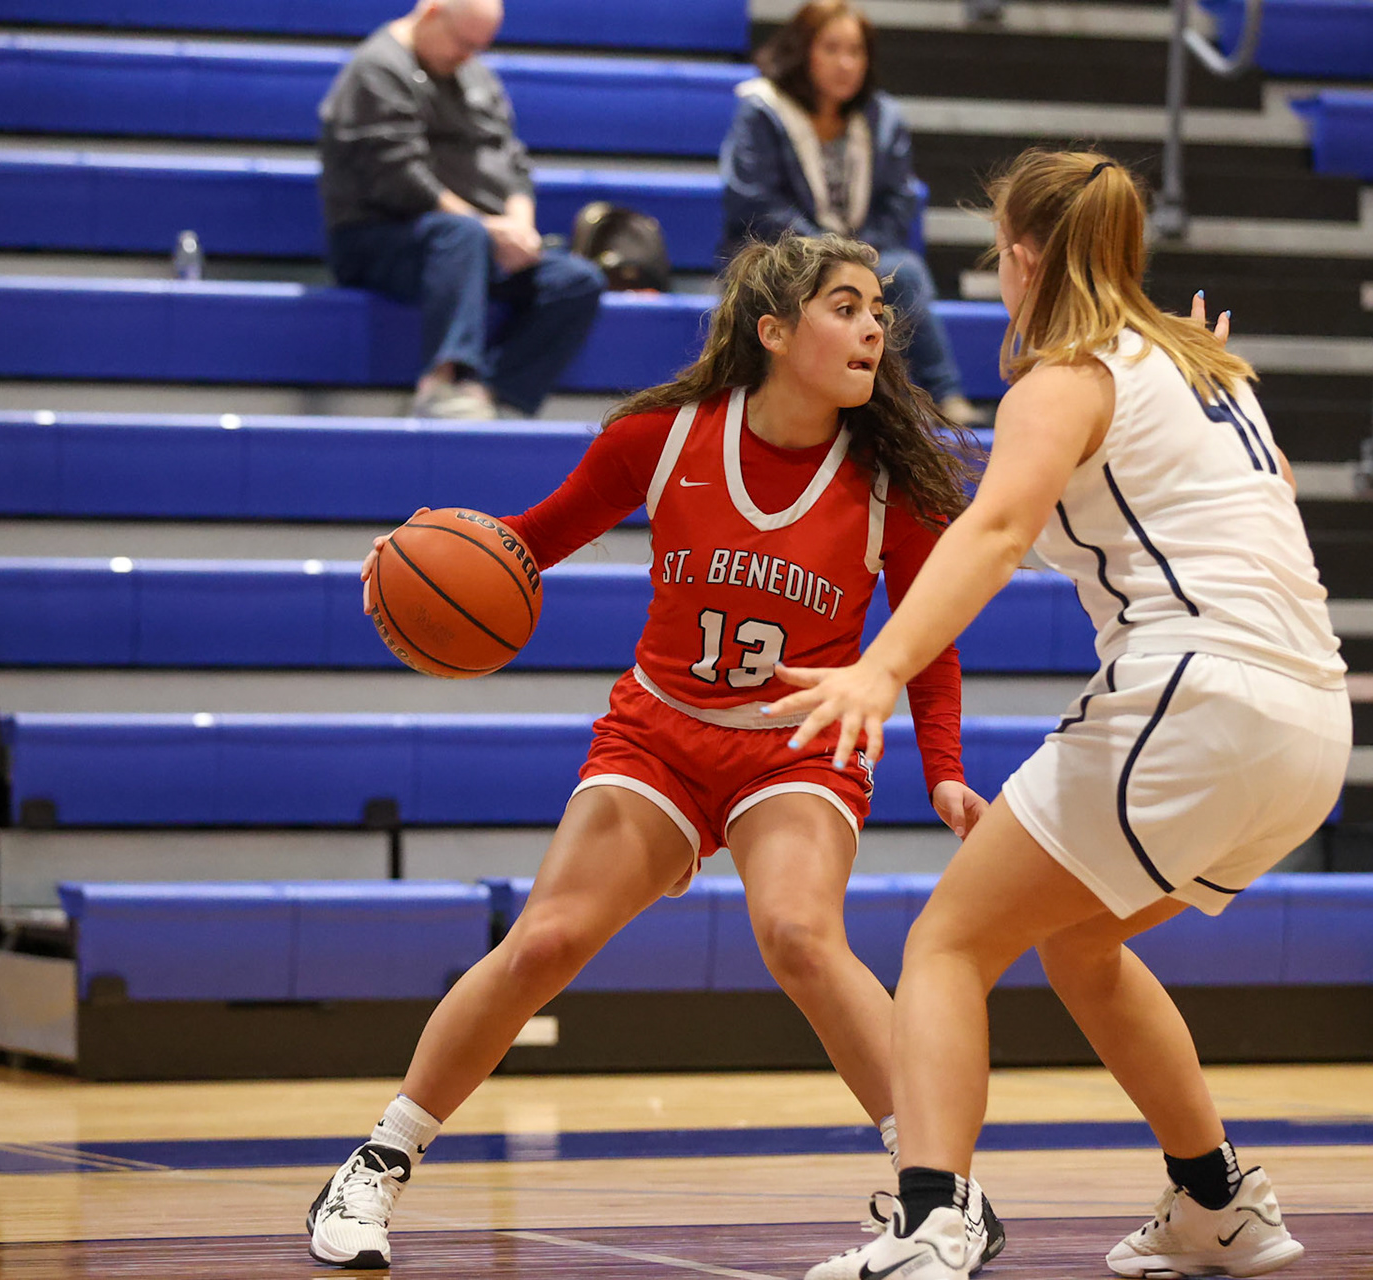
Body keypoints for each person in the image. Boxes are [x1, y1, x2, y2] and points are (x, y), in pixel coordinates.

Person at [306, 233, 1008, 1272]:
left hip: (795, 749)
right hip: (660, 735)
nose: (875, 328)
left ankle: (937, 1194)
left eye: (879, 312)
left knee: (801, 934)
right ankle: (375, 1160)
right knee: (543, 941)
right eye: (847, 307)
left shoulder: (887, 483)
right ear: (774, 331)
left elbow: (927, 635)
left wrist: (943, 764)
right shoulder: (662, 436)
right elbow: (525, 541)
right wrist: (417, 554)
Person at [773, 150, 1350, 1280]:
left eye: (999, 254)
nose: (997, 274)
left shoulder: (1067, 374)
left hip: (1200, 694)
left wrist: (879, 669)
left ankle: (933, 1217)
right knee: (1083, 945)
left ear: (1028, 259)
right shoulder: (1213, 368)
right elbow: (1271, 494)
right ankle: (1218, 1197)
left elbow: (992, 537)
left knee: (946, 941)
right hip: (1312, 722)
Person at [317, 0, 606, 419]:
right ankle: (441, 382)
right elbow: (398, 177)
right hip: (379, 238)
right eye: (462, 43)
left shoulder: (474, 75)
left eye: (478, 47)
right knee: (460, 235)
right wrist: (486, 227)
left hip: (473, 240)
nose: (468, 55)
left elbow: (513, 162)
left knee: (577, 280)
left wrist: (519, 225)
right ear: (433, 14)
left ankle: (492, 397)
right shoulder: (377, 69)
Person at [720, 1, 977, 426]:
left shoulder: (883, 118)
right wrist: (826, 252)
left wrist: (856, 255)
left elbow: (897, 204)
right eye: (832, 49)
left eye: (856, 52)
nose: (846, 63)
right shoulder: (761, 111)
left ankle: (940, 398)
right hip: (779, 259)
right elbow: (755, 203)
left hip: (863, 255)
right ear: (803, 52)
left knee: (903, 272)